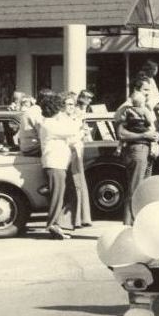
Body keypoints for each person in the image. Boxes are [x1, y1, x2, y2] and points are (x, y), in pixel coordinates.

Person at [115, 77, 159, 225]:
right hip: (137, 149)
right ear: (136, 90)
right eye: (145, 90)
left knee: (142, 187)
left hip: (145, 149)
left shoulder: (144, 107)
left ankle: (139, 220)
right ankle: (129, 222)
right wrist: (145, 136)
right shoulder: (127, 108)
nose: (148, 93)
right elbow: (121, 134)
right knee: (135, 186)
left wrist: (154, 137)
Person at [39, 94, 80, 240]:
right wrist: (75, 118)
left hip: (56, 163)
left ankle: (56, 225)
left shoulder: (49, 123)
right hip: (55, 163)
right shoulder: (50, 124)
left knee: (59, 195)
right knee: (57, 196)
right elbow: (72, 130)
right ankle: (52, 224)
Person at [65, 91, 93, 228]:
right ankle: (75, 218)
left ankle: (82, 217)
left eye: (72, 104)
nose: (72, 107)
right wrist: (82, 132)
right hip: (70, 153)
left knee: (79, 183)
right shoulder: (64, 119)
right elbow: (70, 137)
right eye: (68, 104)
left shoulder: (76, 117)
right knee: (74, 184)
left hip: (77, 151)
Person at [18, 89, 53, 156]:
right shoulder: (36, 111)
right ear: (45, 100)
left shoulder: (33, 110)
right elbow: (43, 133)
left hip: (29, 147)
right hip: (33, 149)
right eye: (51, 100)